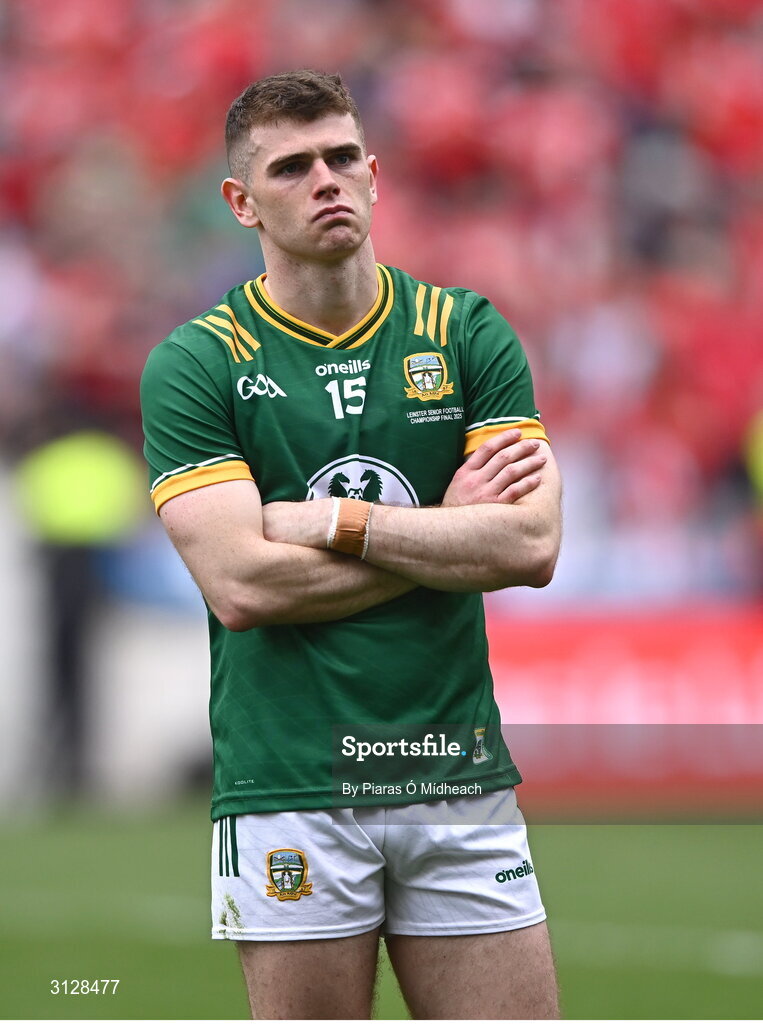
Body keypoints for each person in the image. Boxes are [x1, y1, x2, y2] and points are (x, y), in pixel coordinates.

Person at [141, 69, 562, 1020]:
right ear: (241, 204)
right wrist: (449, 536)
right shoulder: (197, 363)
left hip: (453, 776)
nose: (324, 179)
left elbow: (531, 545)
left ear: (374, 174)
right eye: (291, 167)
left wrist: (334, 522)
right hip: (290, 783)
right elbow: (241, 585)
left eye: (340, 157)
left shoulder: (465, 332)